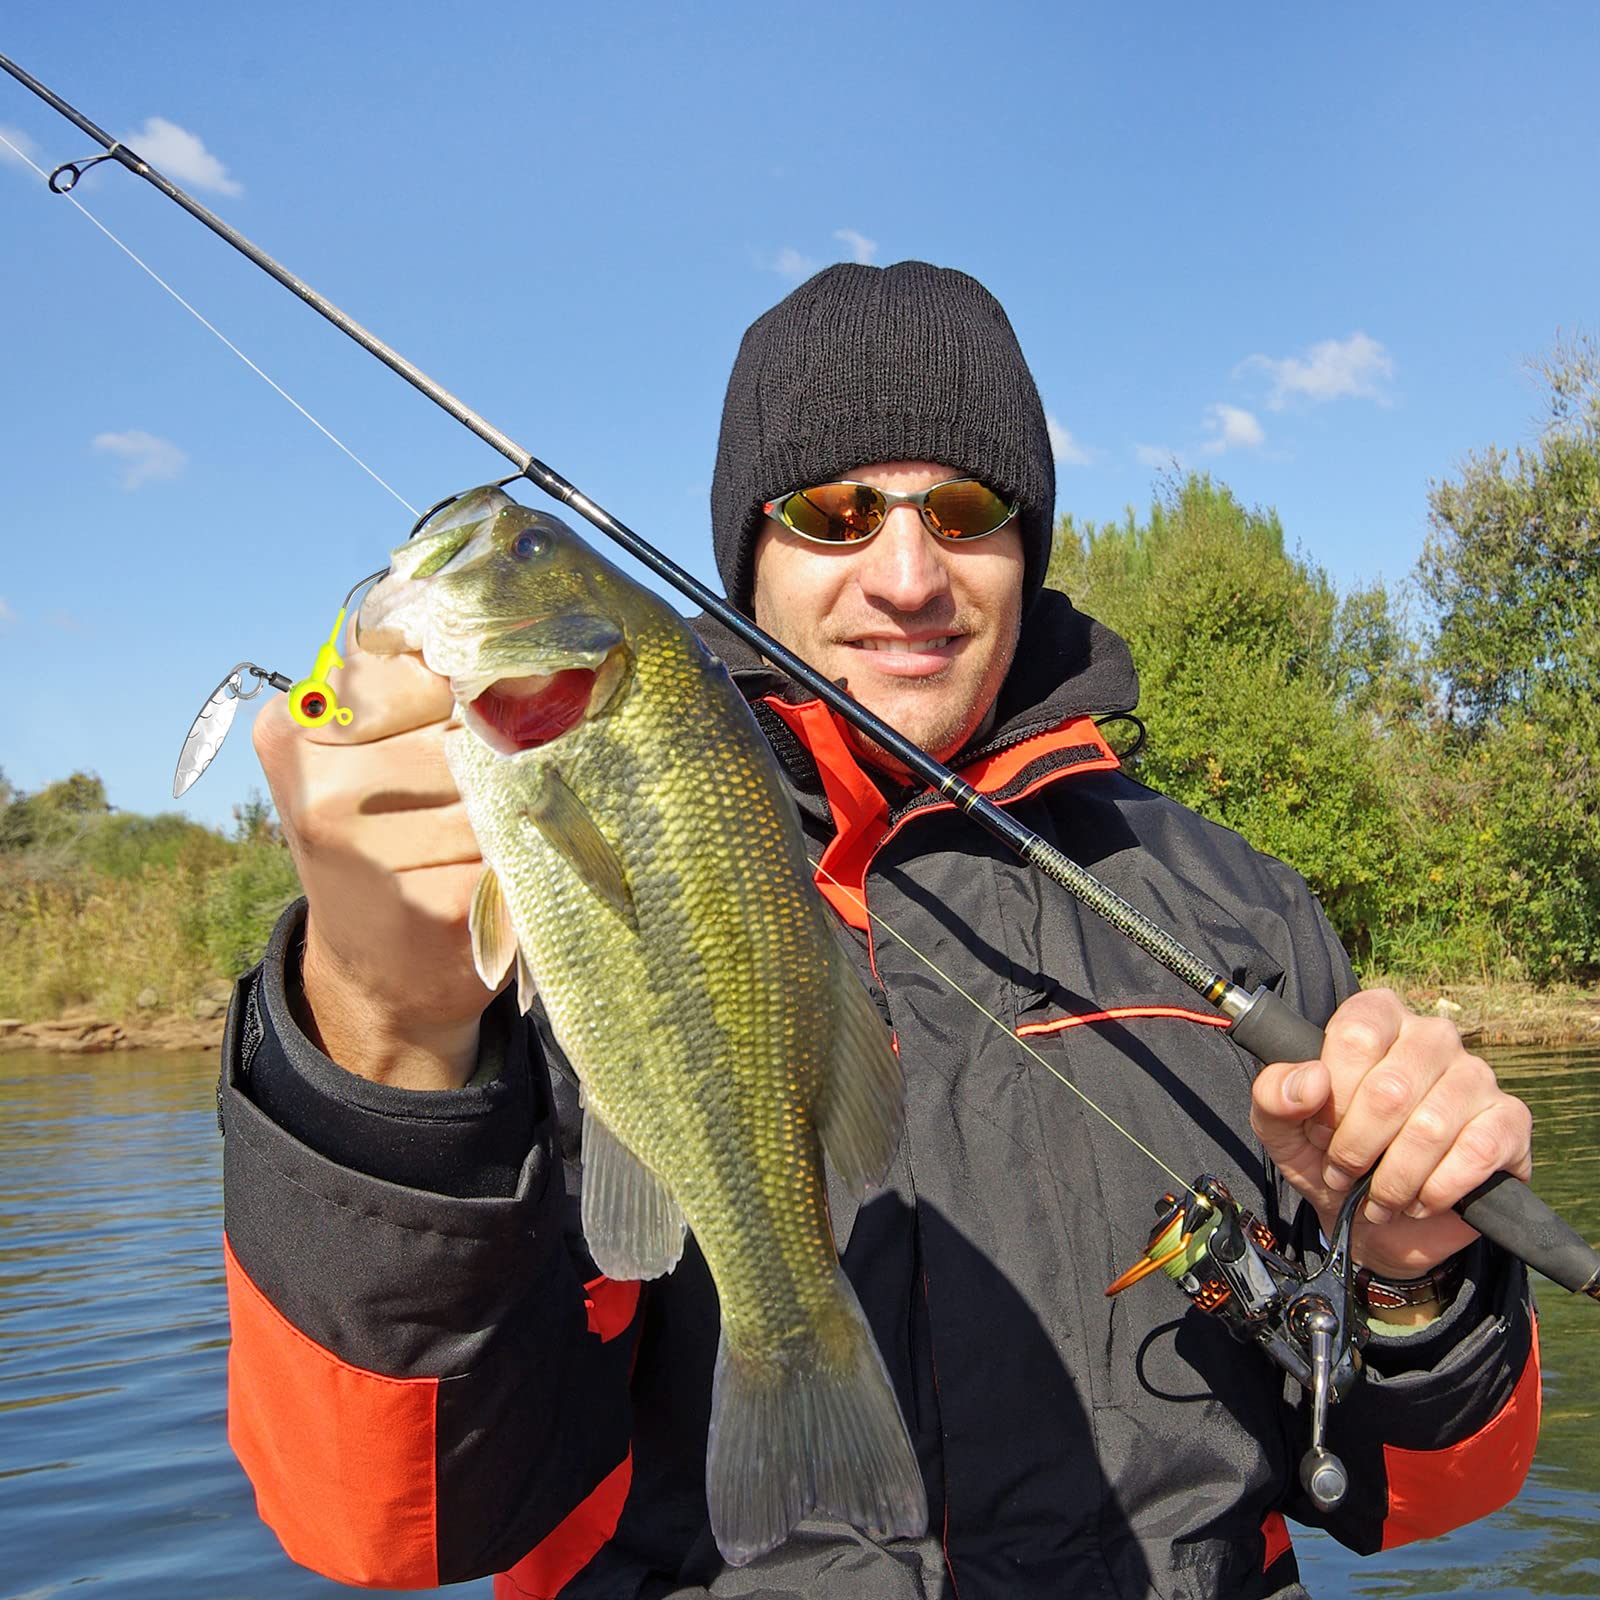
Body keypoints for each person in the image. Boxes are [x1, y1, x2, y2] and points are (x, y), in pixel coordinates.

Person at [222, 261, 1540, 1600]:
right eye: (835, 513)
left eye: (966, 511)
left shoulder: (1238, 911)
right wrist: (382, 1044)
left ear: (1027, 545)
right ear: (749, 552)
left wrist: (1412, 1273)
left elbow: (1422, 1496)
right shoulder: (465, 914)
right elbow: (390, 1530)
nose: (907, 575)